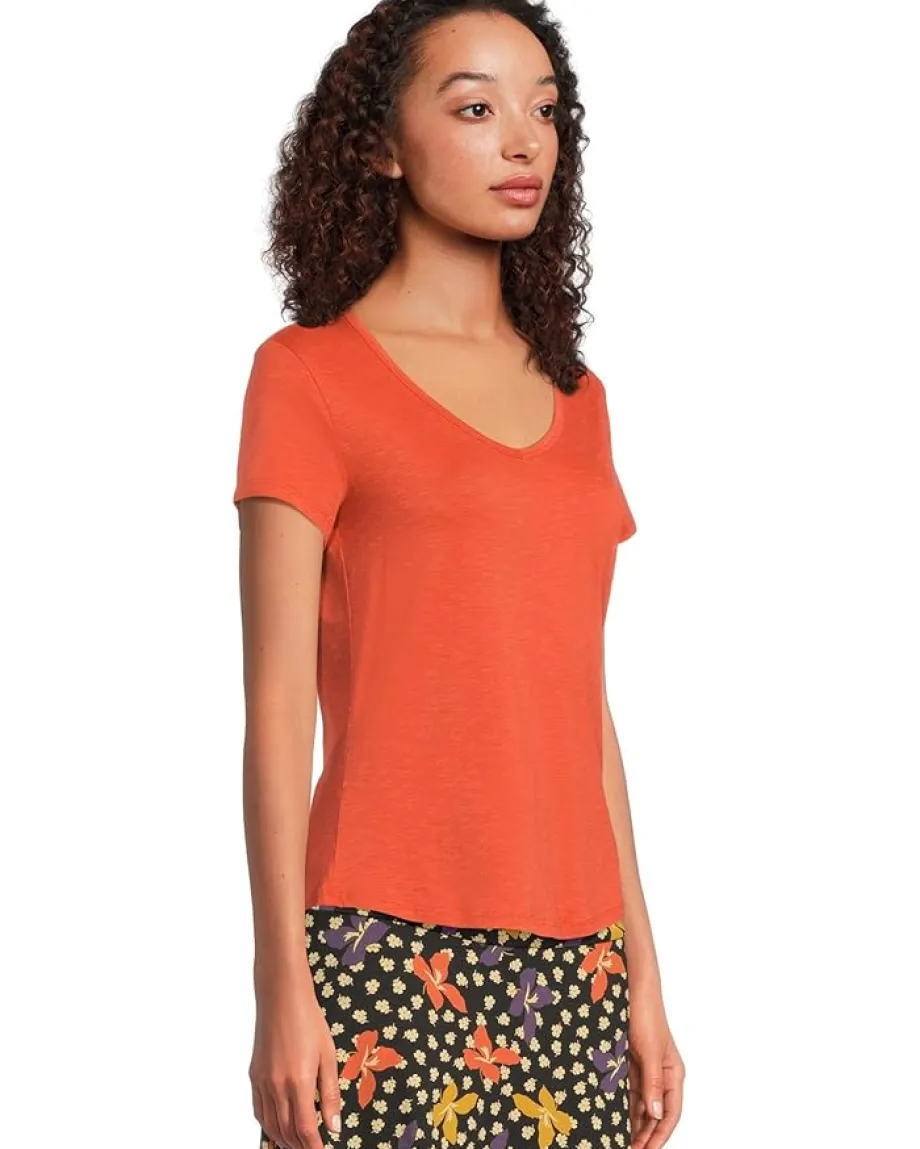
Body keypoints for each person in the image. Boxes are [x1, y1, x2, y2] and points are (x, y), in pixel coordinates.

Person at [232, 3, 685, 1148]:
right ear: (381, 144)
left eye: (544, 110)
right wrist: (281, 982)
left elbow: (578, 704)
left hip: (578, 958)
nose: (524, 141)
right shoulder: (307, 376)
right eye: (475, 109)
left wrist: (642, 972)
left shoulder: (580, 402)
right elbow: (276, 710)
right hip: (381, 947)